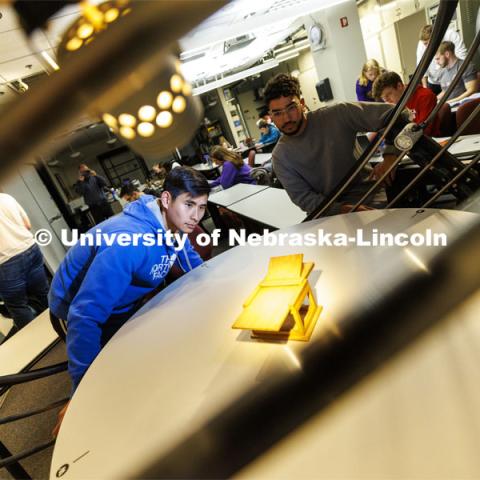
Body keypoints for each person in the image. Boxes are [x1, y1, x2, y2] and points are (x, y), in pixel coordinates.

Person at [49, 167, 210, 396]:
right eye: (189, 204)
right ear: (166, 199)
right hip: (79, 305)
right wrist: (83, 390)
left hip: (125, 299)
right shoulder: (129, 243)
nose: (196, 216)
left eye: (202, 207)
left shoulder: (175, 221)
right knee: (122, 378)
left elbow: (193, 263)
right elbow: (85, 315)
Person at [265, 73, 397, 214]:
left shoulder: (338, 114)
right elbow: (305, 199)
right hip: (329, 213)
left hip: (369, 197)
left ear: (302, 104)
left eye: (291, 108)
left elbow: (397, 114)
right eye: (278, 113)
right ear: (271, 115)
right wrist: (342, 210)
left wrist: (391, 154)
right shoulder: (280, 157)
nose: (286, 118)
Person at [0, 193, 49, 333]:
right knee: (44, 292)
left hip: (6, 261)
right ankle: (65, 326)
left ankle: (38, 343)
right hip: (30, 249)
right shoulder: (6, 197)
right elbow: (27, 225)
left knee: (18, 306)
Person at [372, 71, 441, 137]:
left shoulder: (424, 96)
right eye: (383, 98)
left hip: (430, 140)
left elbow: (424, 131)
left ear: (399, 86)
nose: (386, 100)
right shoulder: (398, 101)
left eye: (388, 95)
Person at [417, 24, 467, 94]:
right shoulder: (421, 45)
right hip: (434, 83)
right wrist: (425, 88)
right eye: (425, 44)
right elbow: (422, 68)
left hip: (455, 78)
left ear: (435, 38)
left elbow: (462, 57)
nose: (427, 47)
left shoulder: (451, 35)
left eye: (428, 43)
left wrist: (456, 76)